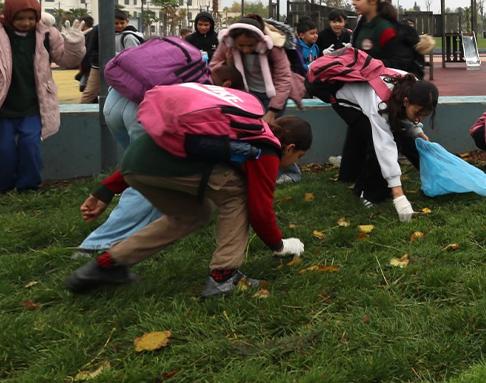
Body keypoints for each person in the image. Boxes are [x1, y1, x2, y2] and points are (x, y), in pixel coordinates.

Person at [65, 114, 312, 298]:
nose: (294, 162)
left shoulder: (247, 126)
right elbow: (260, 210)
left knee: (194, 213)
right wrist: (279, 245)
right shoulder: (267, 150)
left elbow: (170, 144)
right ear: (290, 148)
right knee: (238, 193)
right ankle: (223, 277)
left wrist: (106, 189)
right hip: (153, 164)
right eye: (298, 157)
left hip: (135, 161)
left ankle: (108, 264)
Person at [74, 65, 243, 256]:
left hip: (116, 100)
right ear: (227, 86)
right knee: (157, 180)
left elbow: (145, 158)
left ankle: (123, 244)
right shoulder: (209, 106)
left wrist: (106, 189)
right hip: (142, 112)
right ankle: (98, 245)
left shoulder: (190, 76)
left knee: (152, 176)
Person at [0, 0, 85, 192]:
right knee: (2, 147)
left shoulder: (47, 34)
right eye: (19, 18)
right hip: (1, 105)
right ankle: (3, 185)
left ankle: (29, 185)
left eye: (31, 18)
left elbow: (67, 61)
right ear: (8, 15)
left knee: (30, 144)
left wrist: (74, 44)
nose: (26, 23)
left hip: (34, 104)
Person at [211, 15, 301, 183]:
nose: (245, 49)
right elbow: (213, 67)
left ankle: (290, 173)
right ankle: (251, 172)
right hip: (245, 97)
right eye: (241, 45)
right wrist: (227, 64)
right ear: (233, 41)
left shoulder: (274, 47)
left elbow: (284, 78)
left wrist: (272, 111)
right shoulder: (227, 44)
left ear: (261, 41)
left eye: (250, 45)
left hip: (272, 97)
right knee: (247, 136)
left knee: (274, 136)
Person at [334, 70, 438, 210]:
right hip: (346, 103)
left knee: (397, 141)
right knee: (380, 145)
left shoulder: (417, 90)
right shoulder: (381, 103)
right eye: (417, 114)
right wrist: (398, 193)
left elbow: (403, 112)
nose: (419, 119)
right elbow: (383, 146)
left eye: (424, 115)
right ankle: (368, 195)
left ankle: (366, 186)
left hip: (366, 98)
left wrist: (417, 131)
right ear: (406, 101)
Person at [350, 0, 422, 76]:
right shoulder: (361, 25)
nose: (353, 2)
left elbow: (399, 62)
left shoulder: (385, 29)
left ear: (373, 0)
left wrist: (371, 65)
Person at [80, 10, 144, 104]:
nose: (119, 26)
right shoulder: (100, 31)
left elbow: (131, 55)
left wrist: (110, 55)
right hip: (100, 66)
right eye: (116, 23)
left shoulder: (129, 36)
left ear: (127, 21)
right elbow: (91, 49)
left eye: (121, 23)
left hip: (117, 68)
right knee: (92, 91)